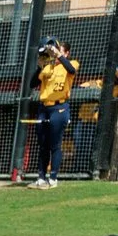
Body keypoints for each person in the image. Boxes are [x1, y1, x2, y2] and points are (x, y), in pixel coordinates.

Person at [29, 40, 78, 187]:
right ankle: (41, 176)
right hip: (44, 108)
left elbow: (72, 70)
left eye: (59, 51)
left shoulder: (72, 63)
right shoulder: (48, 67)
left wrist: (58, 55)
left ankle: (53, 177)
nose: (55, 54)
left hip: (60, 107)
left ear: (66, 53)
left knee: (55, 144)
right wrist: (40, 66)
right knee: (43, 144)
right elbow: (32, 84)